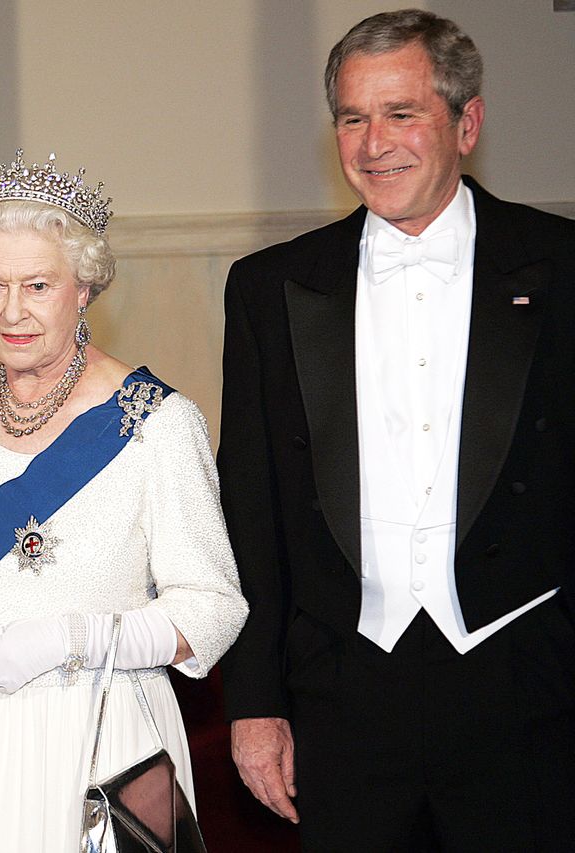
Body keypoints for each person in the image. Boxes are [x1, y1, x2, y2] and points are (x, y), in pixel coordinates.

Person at [219, 10, 575, 851]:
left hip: (525, 689)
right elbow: (252, 510)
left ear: (467, 123)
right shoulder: (270, 287)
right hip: (343, 694)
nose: (373, 144)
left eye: (402, 113)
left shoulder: (562, 267)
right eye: (352, 118)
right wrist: (254, 703)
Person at [0, 150, 248, 852]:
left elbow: (212, 610)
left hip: (93, 740)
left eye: (38, 285)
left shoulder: (157, 424)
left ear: (84, 287)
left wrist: (73, 640)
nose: (13, 312)